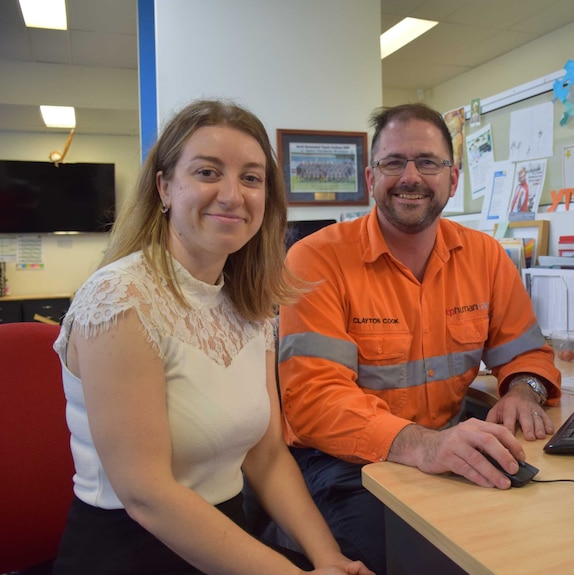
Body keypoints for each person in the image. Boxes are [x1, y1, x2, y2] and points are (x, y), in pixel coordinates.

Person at [51, 99, 373, 575]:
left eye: (251, 178)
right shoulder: (120, 297)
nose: (232, 195)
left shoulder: (251, 304)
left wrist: (329, 559)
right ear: (164, 186)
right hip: (131, 552)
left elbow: (266, 456)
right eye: (207, 172)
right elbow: (147, 495)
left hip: (229, 542)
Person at [274, 103, 562, 574]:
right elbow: (315, 401)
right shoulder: (315, 260)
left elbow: (526, 350)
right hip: (344, 464)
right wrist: (424, 446)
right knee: (414, 560)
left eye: (428, 162)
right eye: (393, 163)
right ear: (371, 179)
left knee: (526, 535)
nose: (411, 177)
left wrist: (523, 389)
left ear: (453, 177)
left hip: (442, 446)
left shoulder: (486, 256)